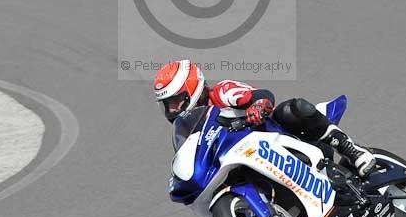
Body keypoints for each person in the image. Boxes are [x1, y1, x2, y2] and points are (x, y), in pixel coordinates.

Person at [153, 59, 376, 177]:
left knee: (290, 109)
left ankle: (351, 150)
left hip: (278, 137)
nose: (172, 110)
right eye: (167, 105)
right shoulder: (188, 131)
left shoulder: (221, 93)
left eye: (175, 102)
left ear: (192, 90)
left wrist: (258, 106)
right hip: (246, 162)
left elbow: (261, 95)